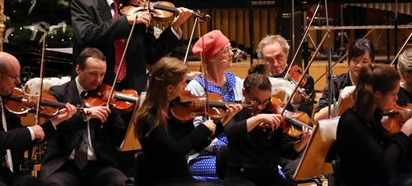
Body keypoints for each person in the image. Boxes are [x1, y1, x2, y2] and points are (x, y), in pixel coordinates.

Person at [71, 0, 192, 94]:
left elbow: (151, 55)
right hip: (96, 88)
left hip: (132, 90)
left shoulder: (138, 9)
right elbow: (86, 35)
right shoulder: (84, 4)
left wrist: (174, 28)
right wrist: (126, 21)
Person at [0, 51, 75, 186]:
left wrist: (55, 122)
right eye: (14, 77)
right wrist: (31, 132)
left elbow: (18, 139)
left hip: (6, 173)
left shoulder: (5, 99)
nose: (18, 81)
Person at [133, 56, 241, 186]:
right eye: (183, 83)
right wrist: (203, 129)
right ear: (169, 89)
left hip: (183, 177)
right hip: (161, 180)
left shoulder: (179, 111)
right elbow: (176, 151)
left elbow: (196, 146)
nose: (186, 87)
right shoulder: (149, 118)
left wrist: (222, 121)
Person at [39, 47, 127, 186]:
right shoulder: (59, 93)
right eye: (93, 74)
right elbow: (58, 127)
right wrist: (86, 113)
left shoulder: (107, 96)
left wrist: (112, 110)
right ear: (78, 69)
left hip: (98, 165)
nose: (98, 80)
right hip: (64, 165)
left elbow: (119, 136)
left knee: (121, 182)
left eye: (102, 74)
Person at [218, 61, 311, 186]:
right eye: (256, 101)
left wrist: (302, 142)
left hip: (268, 175)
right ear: (244, 92)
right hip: (240, 175)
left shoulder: (273, 110)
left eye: (266, 101)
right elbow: (231, 132)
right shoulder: (234, 109)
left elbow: (286, 151)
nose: (261, 107)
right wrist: (259, 118)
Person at [336, 64, 412, 185]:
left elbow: (399, 159)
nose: (396, 99)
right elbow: (384, 162)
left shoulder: (375, 114)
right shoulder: (352, 121)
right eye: (393, 94)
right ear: (377, 94)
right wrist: (404, 133)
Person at [186, 30, 244, 184]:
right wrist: (226, 149)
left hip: (237, 152)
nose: (231, 53)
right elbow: (195, 132)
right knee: (234, 170)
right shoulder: (195, 88)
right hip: (205, 154)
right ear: (211, 58)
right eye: (226, 51)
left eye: (231, 48)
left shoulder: (237, 82)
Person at [313, 38, 376, 121]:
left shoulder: (376, 84)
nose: (359, 65)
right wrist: (342, 103)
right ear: (348, 59)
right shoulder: (335, 83)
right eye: (355, 60)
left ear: (372, 62)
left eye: (364, 61)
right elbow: (317, 117)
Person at [256, 34, 315, 117]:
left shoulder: (304, 80)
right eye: (269, 60)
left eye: (279, 57)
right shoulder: (257, 80)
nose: (275, 64)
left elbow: (305, 117)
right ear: (262, 60)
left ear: (286, 54)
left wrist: (296, 103)